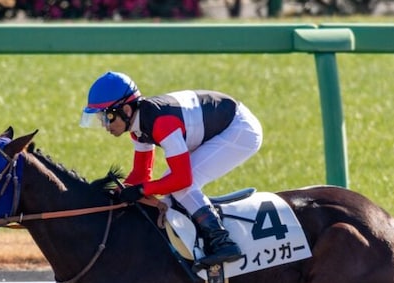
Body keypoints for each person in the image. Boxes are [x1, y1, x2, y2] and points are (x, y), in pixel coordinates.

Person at [79, 71, 263, 267]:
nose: (105, 126)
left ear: (126, 109)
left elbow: (181, 179)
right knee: (170, 193)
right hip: (216, 126)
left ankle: (223, 243)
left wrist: (141, 190)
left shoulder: (161, 123)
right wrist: (121, 192)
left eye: (107, 117)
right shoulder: (137, 127)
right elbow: (141, 174)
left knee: (179, 187)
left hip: (240, 131)